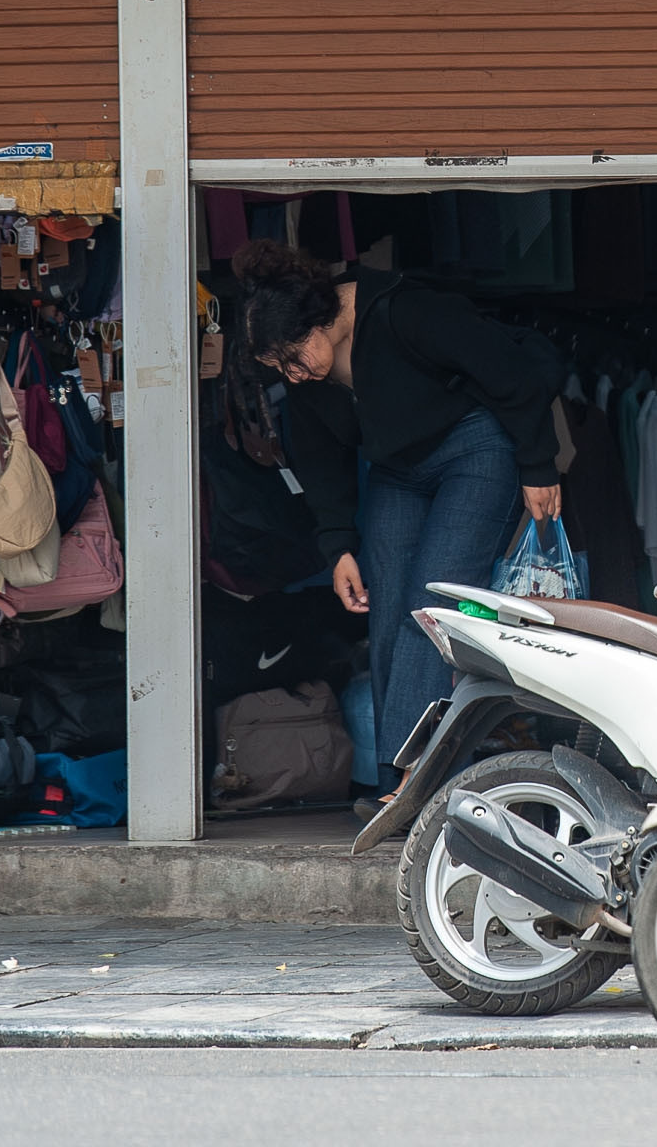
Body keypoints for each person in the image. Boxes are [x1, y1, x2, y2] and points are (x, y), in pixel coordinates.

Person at [232, 241, 566, 821]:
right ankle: (406, 775)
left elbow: (511, 373)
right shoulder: (309, 379)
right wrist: (336, 544)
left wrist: (539, 465)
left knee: (431, 603)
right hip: (399, 471)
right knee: (387, 608)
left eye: (293, 357)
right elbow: (318, 458)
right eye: (278, 369)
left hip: (475, 448)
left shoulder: (407, 311)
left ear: (320, 321)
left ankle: (419, 779)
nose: (293, 373)